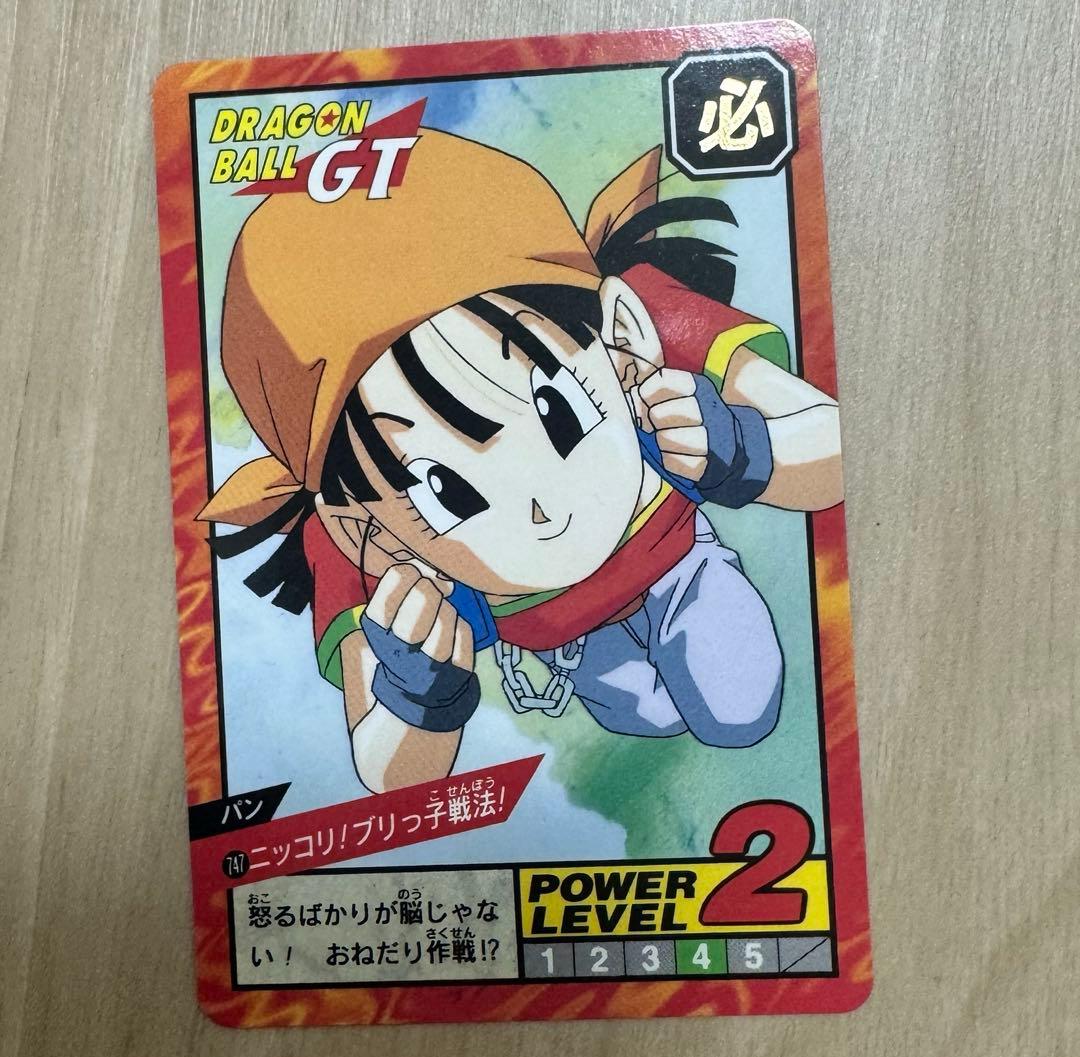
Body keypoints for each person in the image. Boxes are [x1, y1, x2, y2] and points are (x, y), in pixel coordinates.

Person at [201, 132, 841, 792]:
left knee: (740, 710)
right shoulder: (368, 547)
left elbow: (833, 446)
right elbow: (386, 771)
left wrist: (740, 446)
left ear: (621, 332)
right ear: (355, 522)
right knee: (647, 715)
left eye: (559, 413)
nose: (540, 508)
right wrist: (421, 690)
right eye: (444, 490)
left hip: (685, 567)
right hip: (574, 649)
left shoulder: (644, 328)